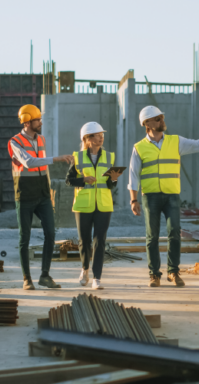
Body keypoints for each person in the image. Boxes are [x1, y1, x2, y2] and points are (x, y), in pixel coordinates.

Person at [129, 105, 199, 287]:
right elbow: (133, 175)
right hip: (150, 197)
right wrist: (133, 200)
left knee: (174, 234)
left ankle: (173, 272)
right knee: (152, 236)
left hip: (171, 196)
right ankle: (154, 274)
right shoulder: (139, 148)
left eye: (162, 117)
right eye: (158, 119)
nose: (162, 121)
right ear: (147, 123)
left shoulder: (175, 141)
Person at [8, 104, 74, 290]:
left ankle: (44, 275)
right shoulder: (15, 142)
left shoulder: (42, 139)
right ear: (27, 122)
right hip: (25, 195)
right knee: (25, 237)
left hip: (43, 195)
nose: (41, 122)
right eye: (37, 120)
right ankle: (27, 279)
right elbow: (28, 163)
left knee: (51, 234)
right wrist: (56, 159)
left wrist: (49, 191)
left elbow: (43, 169)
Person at [66, 122, 123, 290]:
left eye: (102, 134)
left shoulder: (109, 156)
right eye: (97, 135)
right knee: (84, 240)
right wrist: (83, 180)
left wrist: (114, 178)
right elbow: (68, 181)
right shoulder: (78, 157)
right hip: (83, 205)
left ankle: (97, 278)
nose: (101, 137)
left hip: (104, 205)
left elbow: (112, 185)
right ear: (87, 139)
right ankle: (85, 270)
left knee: (100, 241)